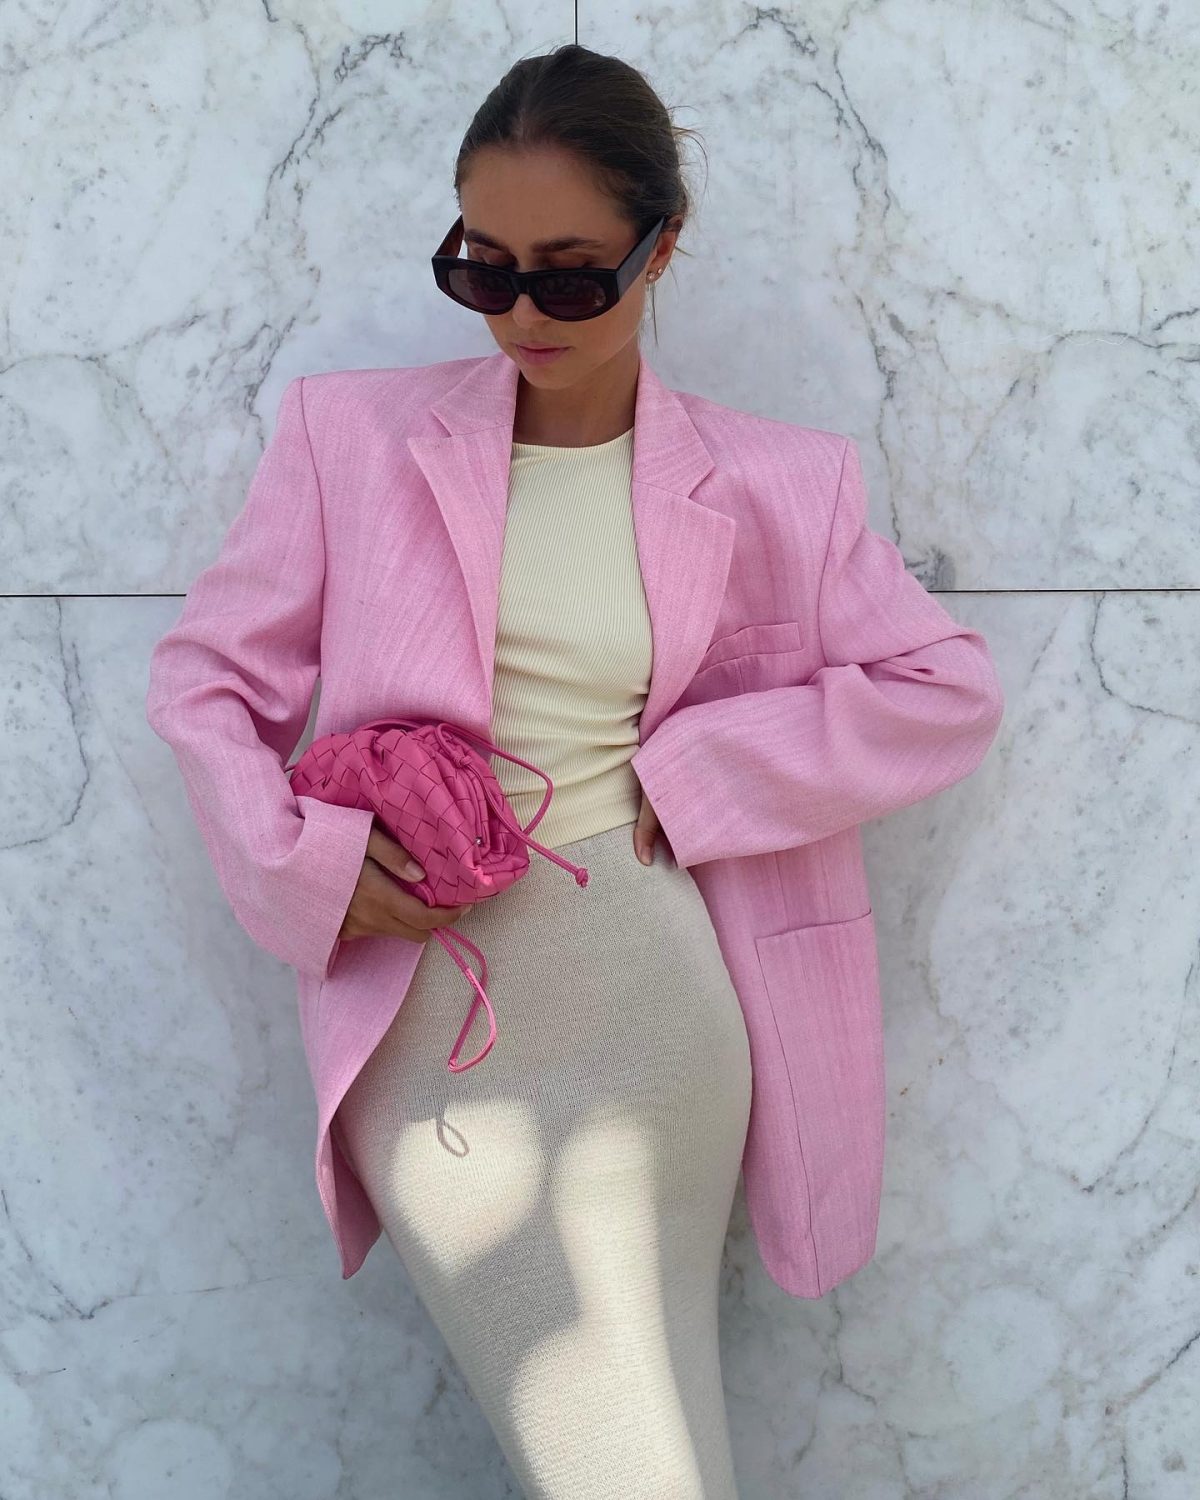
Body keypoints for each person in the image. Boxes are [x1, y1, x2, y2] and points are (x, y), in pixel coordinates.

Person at [146, 40, 1003, 1500]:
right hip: (433, 1034)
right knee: (621, 1463)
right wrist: (315, 864)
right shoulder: (348, 438)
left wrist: (702, 772)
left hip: (660, 1011)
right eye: (483, 267)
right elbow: (205, 682)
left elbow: (945, 692)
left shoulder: (776, 480)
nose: (523, 312)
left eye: (572, 272)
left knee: (656, 1454)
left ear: (664, 252)